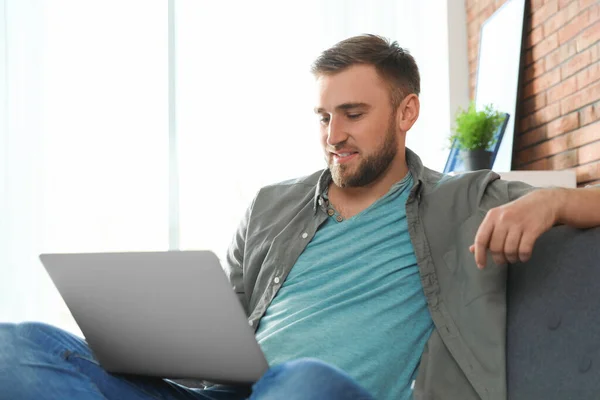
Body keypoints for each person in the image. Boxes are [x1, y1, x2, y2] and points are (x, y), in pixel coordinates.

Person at [1, 34, 599, 400]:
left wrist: (552, 199)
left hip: (321, 394)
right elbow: (223, 329)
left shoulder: (464, 198)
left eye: (353, 113)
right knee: (18, 348)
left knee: (301, 382)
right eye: (322, 116)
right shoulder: (270, 205)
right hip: (228, 396)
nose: (333, 135)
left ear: (406, 111)